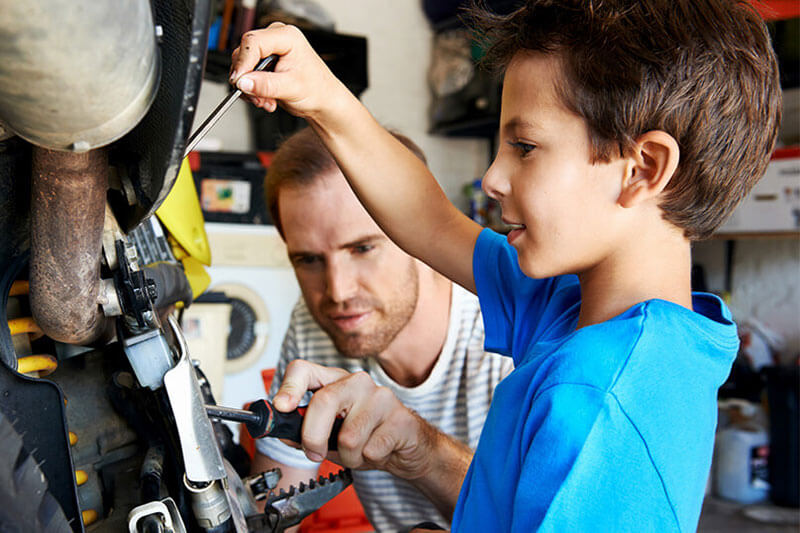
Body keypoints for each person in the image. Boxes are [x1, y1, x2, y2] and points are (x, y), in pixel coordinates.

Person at [229, 0, 781, 530]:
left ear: (642, 169)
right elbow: (431, 223)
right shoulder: (571, 310)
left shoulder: (595, 401)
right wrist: (322, 94)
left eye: (524, 146)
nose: (492, 178)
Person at [251, 126, 513, 532]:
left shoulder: (511, 331)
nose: (337, 291)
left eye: (362, 248)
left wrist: (425, 453)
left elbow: (545, 520)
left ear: (421, 234)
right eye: (308, 260)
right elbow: (269, 506)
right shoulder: (312, 323)